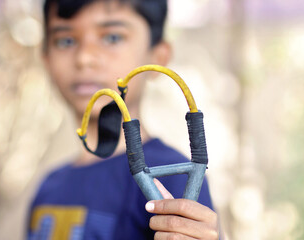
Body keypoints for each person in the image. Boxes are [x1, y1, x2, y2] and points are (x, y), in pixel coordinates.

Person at [27, 0, 219, 239]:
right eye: (66, 40)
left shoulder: (175, 178)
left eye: (112, 38)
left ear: (158, 55)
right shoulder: (49, 187)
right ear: (46, 58)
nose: (84, 58)